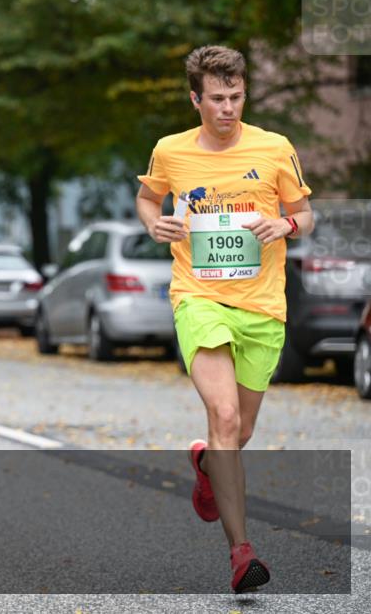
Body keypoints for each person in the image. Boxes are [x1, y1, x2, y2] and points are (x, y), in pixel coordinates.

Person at [136, 45, 313, 594]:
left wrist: (285, 226)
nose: (228, 108)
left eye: (235, 96)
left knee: (240, 431)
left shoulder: (275, 147)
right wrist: (154, 224)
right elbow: (148, 198)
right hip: (199, 297)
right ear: (196, 100)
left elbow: (305, 213)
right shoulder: (170, 150)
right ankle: (242, 552)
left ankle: (209, 466)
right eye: (216, 98)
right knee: (225, 415)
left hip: (262, 306)